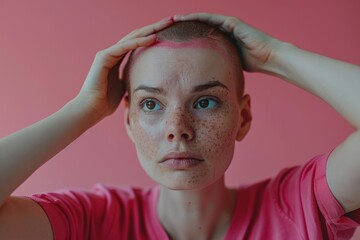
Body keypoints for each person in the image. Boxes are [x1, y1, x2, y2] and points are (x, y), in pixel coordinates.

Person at [0, 12, 359, 239]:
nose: (178, 129)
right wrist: (83, 109)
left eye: (205, 102)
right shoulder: (88, 222)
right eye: (151, 104)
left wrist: (277, 55)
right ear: (128, 119)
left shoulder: (301, 207)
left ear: (243, 117)